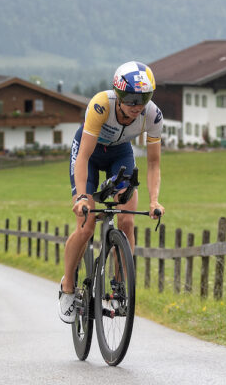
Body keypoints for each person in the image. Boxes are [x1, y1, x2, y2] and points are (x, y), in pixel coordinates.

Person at [58, 61, 165, 323]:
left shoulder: (153, 115)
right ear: (118, 94)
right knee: (86, 226)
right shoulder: (100, 105)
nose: (137, 105)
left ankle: (118, 286)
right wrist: (82, 196)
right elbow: (82, 157)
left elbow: (153, 164)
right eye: (130, 99)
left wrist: (153, 201)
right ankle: (68, 285)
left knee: (127, 220)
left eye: (144, 98)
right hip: (90, 154)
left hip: (120, 154)